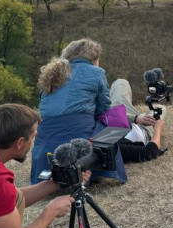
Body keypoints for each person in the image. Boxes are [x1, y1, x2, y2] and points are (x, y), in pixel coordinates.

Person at [30, 39, 121, 184]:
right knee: (109, 128)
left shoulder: (52, 73)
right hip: (78, 134)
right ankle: (99, 170)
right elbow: (104, 107)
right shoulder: (97, 72)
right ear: (94, 59)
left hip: (46, 136)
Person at [108, 78, 166, 162]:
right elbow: (149, 153)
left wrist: (135, 118)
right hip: (142, 129)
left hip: (118, 117)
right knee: (160, 108)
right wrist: (158, 130)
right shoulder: (116, 148)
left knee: (120, 82)